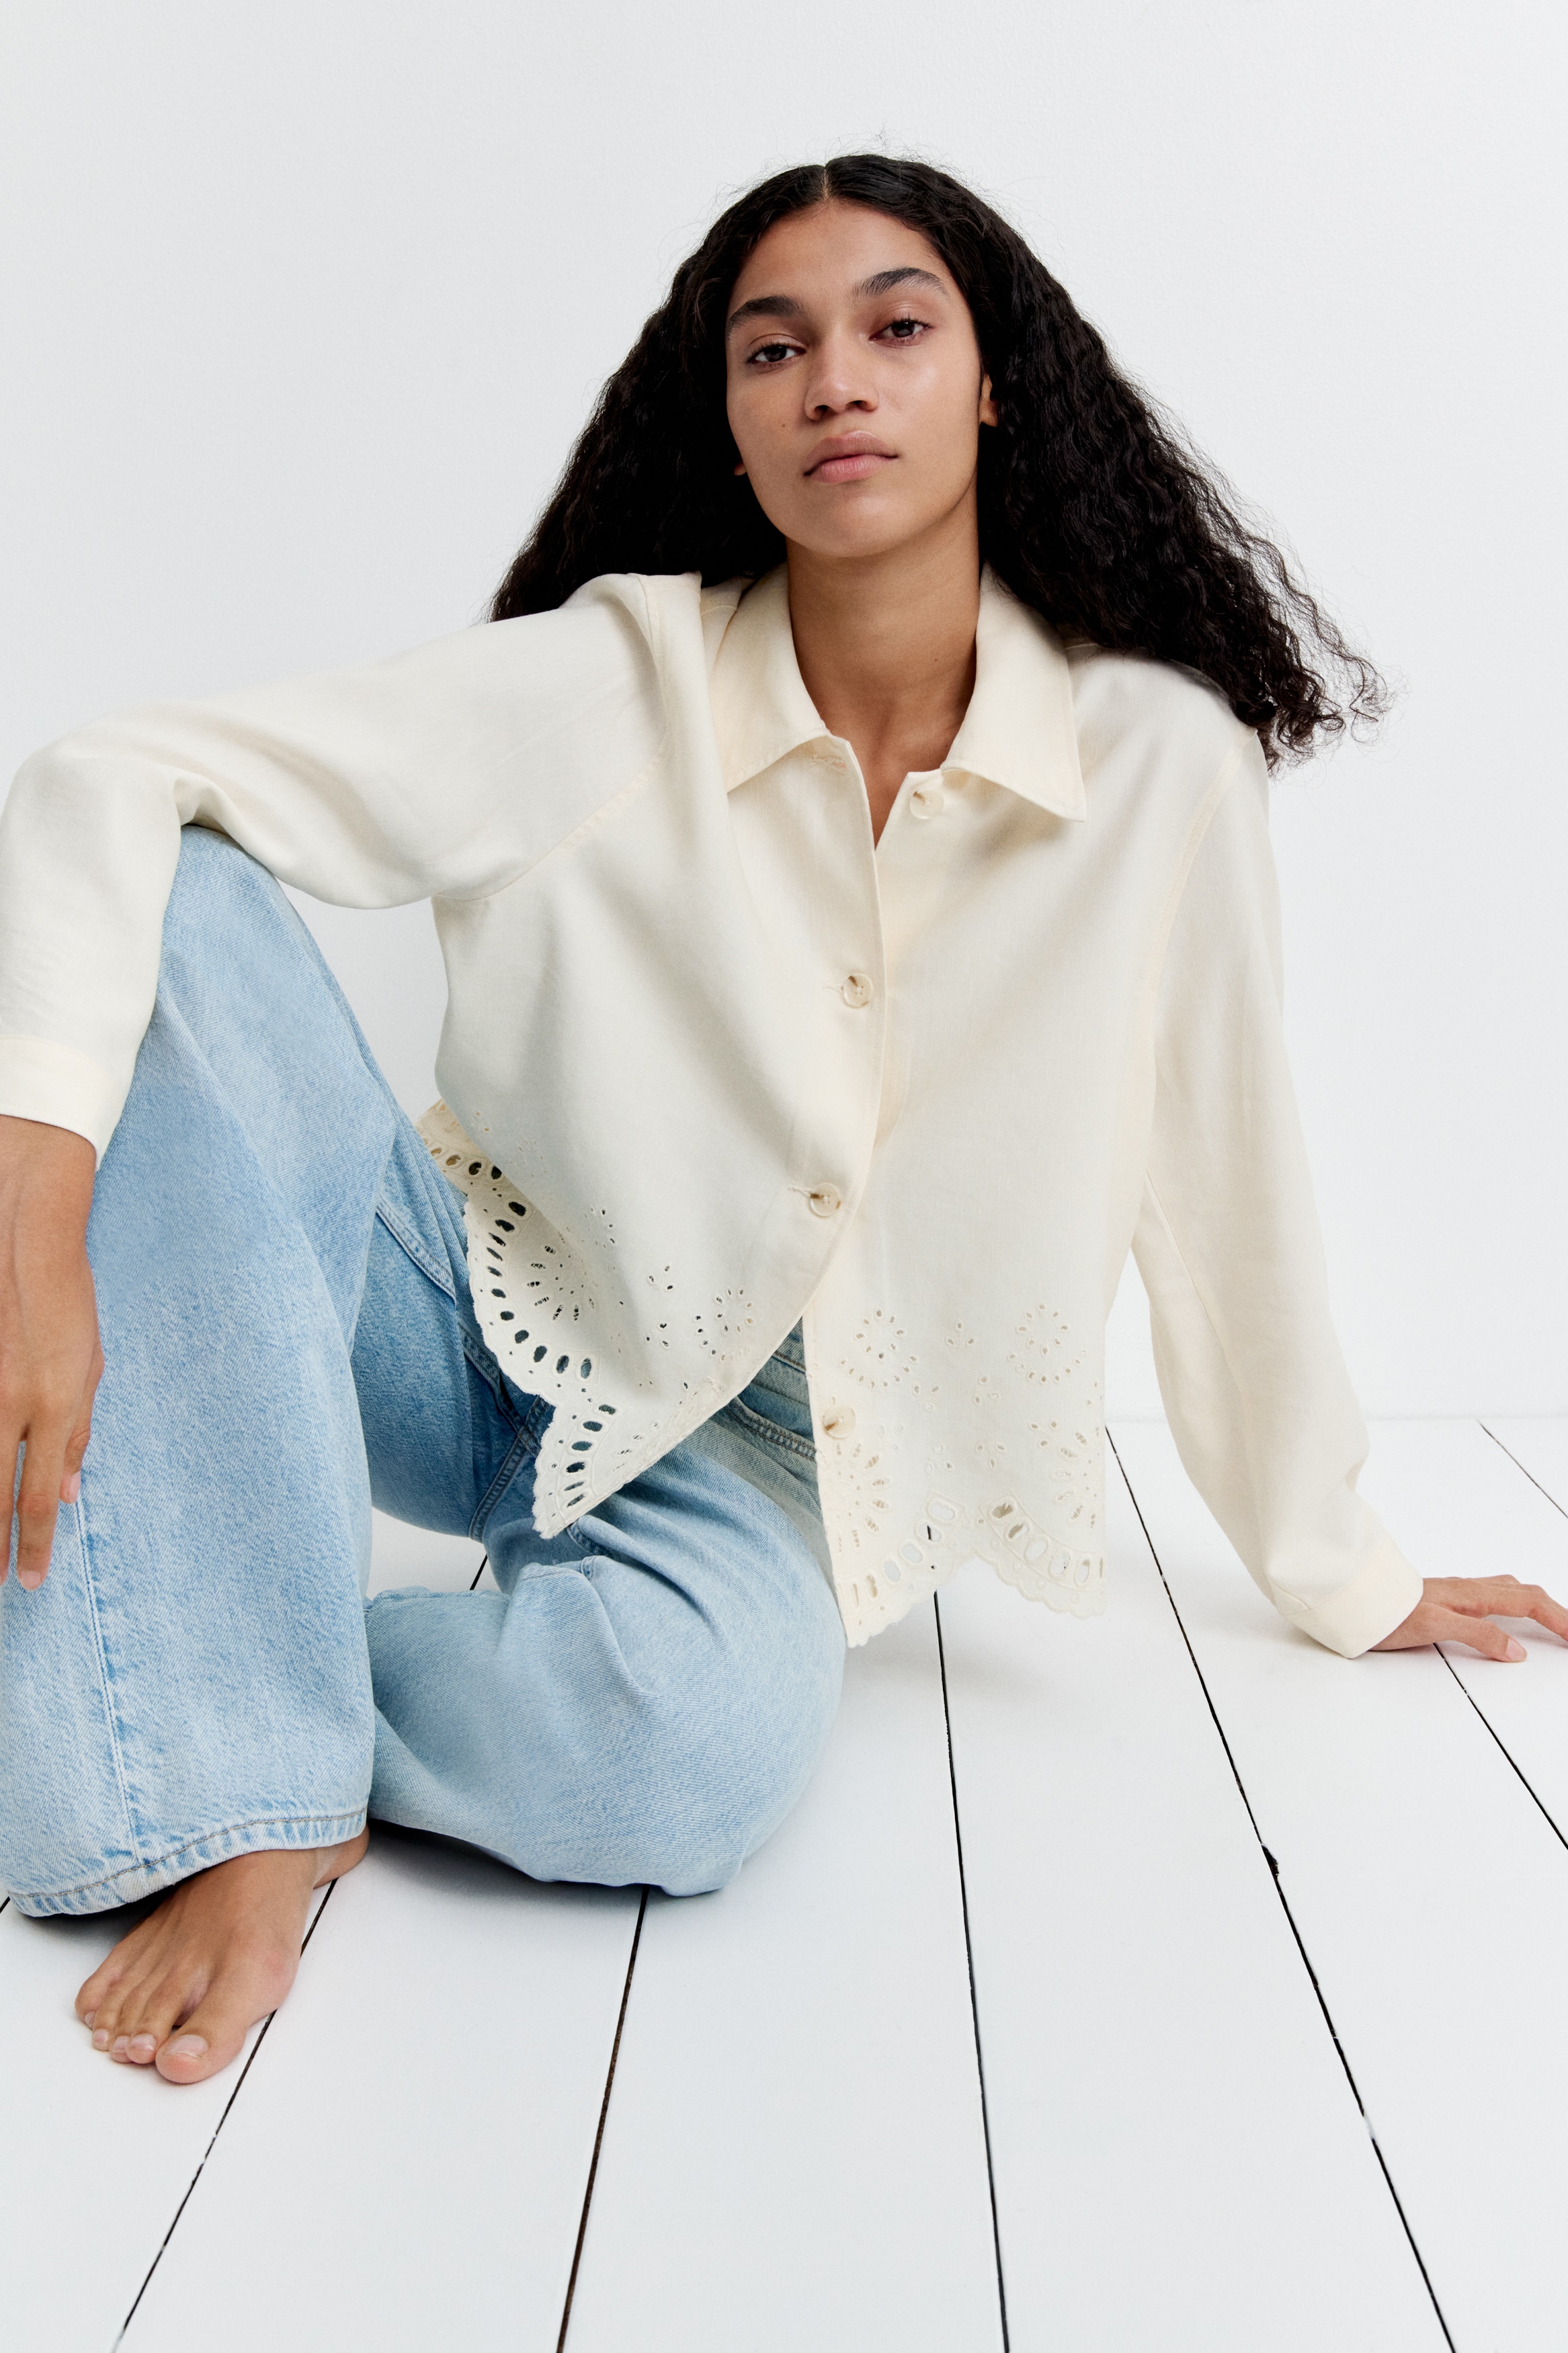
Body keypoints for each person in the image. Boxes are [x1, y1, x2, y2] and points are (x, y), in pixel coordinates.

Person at [1, 155, 1559, 2088]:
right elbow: (107, 778)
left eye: (898, 326)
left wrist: (1339, 1565)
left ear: (994, 385)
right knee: (185, 887)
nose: (837, 379)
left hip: (769, 1470)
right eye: (774, 348)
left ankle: (188, 1666)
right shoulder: (613, 678)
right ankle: (244, 1779)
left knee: (679, 1763)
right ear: (728, 422)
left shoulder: (1161, 762)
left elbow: (1223, 1172)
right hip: (468, 1314)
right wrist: (34, 1233)